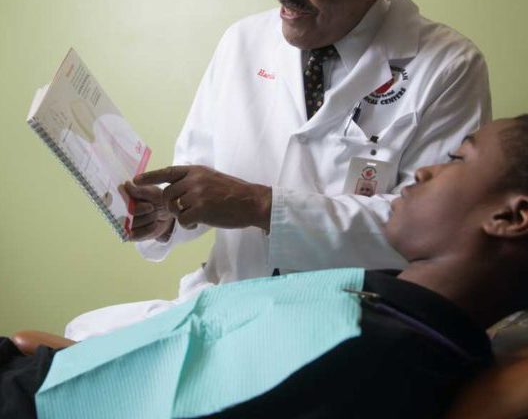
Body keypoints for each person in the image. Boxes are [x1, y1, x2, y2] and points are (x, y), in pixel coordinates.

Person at [65, 0, 491, 340]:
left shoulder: (448, 67)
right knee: (71, 342)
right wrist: (166, 215)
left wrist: (262, 205)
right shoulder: (242, 43)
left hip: (347, 325)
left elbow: (435, 232)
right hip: (227, 303)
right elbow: (198, 175)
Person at [3, 116, 528, 419]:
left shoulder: (371, 354)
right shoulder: (371, 300)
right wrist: (56, 359)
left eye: (458, 159)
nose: (427, 169)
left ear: (511, 216)